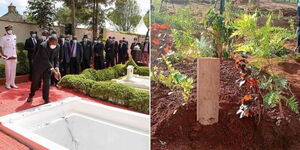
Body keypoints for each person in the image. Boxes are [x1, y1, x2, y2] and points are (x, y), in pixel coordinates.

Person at [26, 36, 61, 104]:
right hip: (39, 65)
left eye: (56, 43)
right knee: (35, 82)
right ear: (49, 42)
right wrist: (54, 71)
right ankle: (31, 95)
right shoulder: (43, 46)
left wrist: (57, 68)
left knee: (47, 83)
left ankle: (46, 99)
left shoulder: (58, 46)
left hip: (48, 66)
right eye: (53, 43)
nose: (55, 45)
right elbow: (45, 60)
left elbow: (56, 58)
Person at [0, 25, 18, 89]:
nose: (9, 31)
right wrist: (2, 55)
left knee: (13, 70)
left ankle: (12, 83)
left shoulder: (14, 36)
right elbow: (1, 47)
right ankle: (7, 84)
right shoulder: (3, 38)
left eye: (10, 29)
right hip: (7, 56)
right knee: (8, 71)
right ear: (6, 30)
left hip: (14, 55)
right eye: (8, 30)